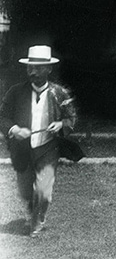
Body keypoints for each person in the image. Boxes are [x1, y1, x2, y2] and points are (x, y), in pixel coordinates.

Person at [0, 45, 78, 237]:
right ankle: (33, 208)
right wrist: (14, 129)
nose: (32, 72)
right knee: (26, 191)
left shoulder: (60, 94)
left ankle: (37, 223)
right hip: (23, 149)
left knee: (43, 188)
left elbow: (71, 118)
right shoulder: (15, 92)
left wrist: (61, 124)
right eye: (30, 68)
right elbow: (3, 117)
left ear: (48, 69)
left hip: (48, 148)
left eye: (38, 68)